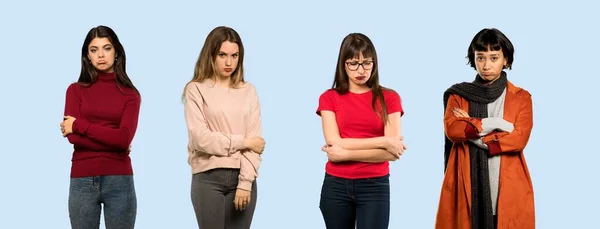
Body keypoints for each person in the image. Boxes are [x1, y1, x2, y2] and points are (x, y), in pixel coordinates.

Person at [436, 28, 535, 229]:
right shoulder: (458, 95)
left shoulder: (521, 98)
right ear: (474, 59)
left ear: (505, 60)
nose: (486, 65)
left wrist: (472, 126)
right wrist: (495, 124)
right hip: (466, 183)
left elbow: (518, 139)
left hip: (508, 187)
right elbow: (454, 131)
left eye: (494, 57)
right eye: (480, 58)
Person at [316, 33, 406, 229]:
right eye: (353, 63)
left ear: (374, 63)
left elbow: (392, 153)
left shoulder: (389, 98)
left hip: (375, 185)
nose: (361, 70)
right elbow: (334, 142)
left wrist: (345, 153)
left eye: (366, 63)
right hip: (336, 186)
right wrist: (383, 141)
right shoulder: (329, 98)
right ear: (343, 64)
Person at [183, 26, 265, 229]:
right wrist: (243, 142)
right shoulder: (196, 89)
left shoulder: (249, 91)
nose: (229, 62)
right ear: (211, 55)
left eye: (234, 55)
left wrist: (245, 183)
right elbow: (200, 140)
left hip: (243, 177)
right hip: (208, 178)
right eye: (222, 55)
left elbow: (256, 141)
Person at [61, 25, 140, 229]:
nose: (101, 55)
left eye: (106, 48)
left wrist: (79, 125)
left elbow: (123, 139)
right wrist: (113, 141)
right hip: (82, 178)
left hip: (120, 180)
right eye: (94, 50)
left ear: (117, 53)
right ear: (87, 56)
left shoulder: (130, 94)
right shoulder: (75, 90)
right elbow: (73, 138)